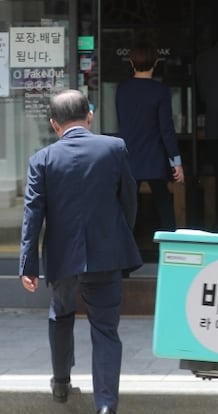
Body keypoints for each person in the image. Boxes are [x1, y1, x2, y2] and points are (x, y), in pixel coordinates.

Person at [19, 89, 142, 414]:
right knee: (105, 329)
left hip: (63, 258)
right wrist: (120, 236)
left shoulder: (42, 159)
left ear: (53, 123)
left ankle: (61, 382)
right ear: (90, 116)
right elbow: (129, 199)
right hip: (106, 255)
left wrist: (28, 264)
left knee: (60, 314)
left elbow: (33, 214)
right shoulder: (114, 148)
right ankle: (106, 406)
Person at [116, 41, 184, 232]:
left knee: (128, 208)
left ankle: (124, 247)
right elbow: (166, 129)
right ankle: (171, 244)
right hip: (155, 156)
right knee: (163, 203)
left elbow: (123, 122)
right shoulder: (160, 91)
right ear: (156, 62)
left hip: (129, 155)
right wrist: (176, 162)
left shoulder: (122, 89)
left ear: (131, 63)